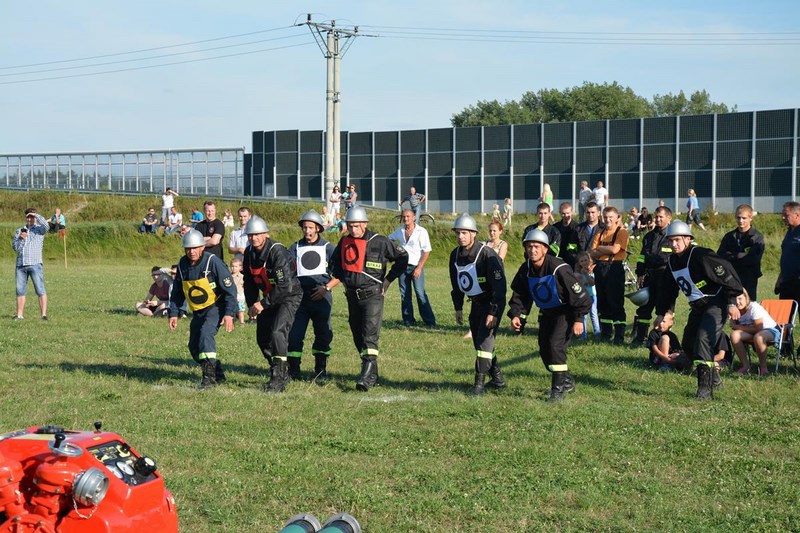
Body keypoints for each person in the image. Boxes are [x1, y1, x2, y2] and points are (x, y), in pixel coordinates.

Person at [654, 221, 744, 400]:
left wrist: (732, 302)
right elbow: (667, 290)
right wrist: (662, 313)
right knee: (689, 344)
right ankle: (714, 378)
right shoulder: (672, 262)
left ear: (687, 239)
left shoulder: (701, 255)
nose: (674, 244)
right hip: (697, 307)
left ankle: (704, 389)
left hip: (716, 303)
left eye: (678, 240)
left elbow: (726, 274)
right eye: (671, 241)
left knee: (703, 339)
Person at [508, 229, 591, 401]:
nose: (532, 250)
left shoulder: (559, 268)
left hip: (565, 313)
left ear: (545, 249)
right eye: (529, 246)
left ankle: (557, 391)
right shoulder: (526, 268)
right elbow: (520, 294)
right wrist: (516, 315)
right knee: (545, 350)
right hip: (546, 313)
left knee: (555, 346)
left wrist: (579, 319)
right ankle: (566, 382)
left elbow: (581, 296)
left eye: (537, 247)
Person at [331, 206, 408, 391]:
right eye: (350, 226)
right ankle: (373, 374)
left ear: (365, 224)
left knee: (369, 335)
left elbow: (403, 257)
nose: (353, 230)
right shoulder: (344, 242)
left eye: (356, 226)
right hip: (352, 296)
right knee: (357, 335)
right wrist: (342, 279)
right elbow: (335, 263)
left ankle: (365, 378)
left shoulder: (380, 241)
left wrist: (388, 280)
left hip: (373, 295)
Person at [168, 230, 236, 389]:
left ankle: (209, 379)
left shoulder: (213, 262)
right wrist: (174, 313)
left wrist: (229, 314)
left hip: (216, 307)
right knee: (195, 347)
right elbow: (177, 292)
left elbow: (230, 290)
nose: (191, 251)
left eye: (195, 248)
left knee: (206, 334)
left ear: (202, 247)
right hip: (198, 311)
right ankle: (217, 371)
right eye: (188, 248)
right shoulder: (182, 265)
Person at [243, 216, 303, 393]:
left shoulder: (277, 251)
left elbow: (285, 285)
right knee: (262, 337)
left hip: (289, 296)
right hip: (269, 298)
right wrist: (252, 305)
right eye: (250, 235)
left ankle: (278, 377)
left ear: (266, 234)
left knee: (277, 332)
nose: (254, 238)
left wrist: (263, 303)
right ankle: (280, 367)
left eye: (257, 234)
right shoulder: (249, 253)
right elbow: (249, 282)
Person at [449, 214, 507, 396]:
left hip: (491, 303)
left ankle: (478, 385)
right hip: (475, 303)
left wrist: (493, 312)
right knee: (479, 343)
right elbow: (456, 284)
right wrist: (458, 308)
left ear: (473, 233)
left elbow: (500, 288)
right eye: (458, 233)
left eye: (464, 233)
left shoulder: (487, 255)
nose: (460, 237)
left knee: (484, 341)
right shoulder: (455, 255)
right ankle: (497, 378)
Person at [287, 210, 340, 380]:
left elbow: (340, 273)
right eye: (305, 227)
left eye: (310, 227)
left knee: (323, 333)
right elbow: (288, 271)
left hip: (322, 295)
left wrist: (326, 288)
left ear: (318, 228)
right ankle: (293, 370)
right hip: (300, 297)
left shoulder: (328, 248)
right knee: (294, 334)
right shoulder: (295, 247)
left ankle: (320, 370)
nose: (307, 231)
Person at [631, 206, 673, 346]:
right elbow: (642, 256)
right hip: (649, 276)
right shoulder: (649, 236)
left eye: (661, 217)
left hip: (665, 277)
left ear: (669, 218)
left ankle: (662, 339)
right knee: (644, 308)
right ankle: (640, 338)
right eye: (656, 217)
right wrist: (640, 273)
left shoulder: (673, 237)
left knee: (664, 309)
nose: (658, 219)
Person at [389, 209, 437, 327]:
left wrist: (419, 268)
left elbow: (426, 251)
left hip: (416, 266)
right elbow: (388, 239)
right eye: (404, 217)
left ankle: (429, 321)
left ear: (414, 217)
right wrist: (395, 250)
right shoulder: (399, 231)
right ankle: (408, 320)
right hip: (402, 267)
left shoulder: (421, 231)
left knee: (420, 293)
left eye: (408, 216)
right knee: (404, 294)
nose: (406, 219)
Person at [590, 206, 629, 344]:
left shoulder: (621, 232)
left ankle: (619, 336)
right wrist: (604, 250)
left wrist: (600, 248)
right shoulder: (599, 233)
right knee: (603, 303)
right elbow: (592, 253)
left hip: (614, 268)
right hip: (600, 268)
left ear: (617, 218)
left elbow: (615, 250)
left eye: (611, 217)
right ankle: (606, 334)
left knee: (615, 302)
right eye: (605, 217)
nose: (608, 220)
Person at [717, 204, 764, 301]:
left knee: (748, 304)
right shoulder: (729, 236)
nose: (741, 221)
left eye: (744, 218)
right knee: (731, 304)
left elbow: (753, 258)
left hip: (749, 277)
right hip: (731, 276)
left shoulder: (757, 237)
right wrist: (739, 256)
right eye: (738, 218)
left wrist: (733, 256)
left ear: (750, 218)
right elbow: (720, 256)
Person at [729, 290, 779, 376]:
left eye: (740, 298)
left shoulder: (754, 307)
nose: (737, 302)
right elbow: (733, 325)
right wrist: (732, 321)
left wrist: (736, 326)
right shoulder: (734, 309)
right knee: (734, 335)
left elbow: (758, 329)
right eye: (735, 299)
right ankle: (746, 366)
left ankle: (763, 368)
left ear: (746, 298)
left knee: (759, 337)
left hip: (770, 330)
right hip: (752, 331)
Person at [13, 208, 49, 320]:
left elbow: (46, 225)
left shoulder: (39, 230)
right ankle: (19, 315)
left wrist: (36, 215)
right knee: (20, 290)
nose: (30, 219)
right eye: (28, 217)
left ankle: (43, 315)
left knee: (40, 289)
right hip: (21, 265)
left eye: (32, 217)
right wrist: (21, 238)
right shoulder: (20, 230)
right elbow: (15, 248)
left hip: (35, 264)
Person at [565, 201, 604, 268]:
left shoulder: (604, 228)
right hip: (581, 265)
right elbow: (571, 247)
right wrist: (578, 259)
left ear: (598, 213)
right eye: (588, 212)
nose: (590, 215)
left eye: (593, 212)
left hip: (599, 265)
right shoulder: (578, 229)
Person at [776, 201, 800, 301]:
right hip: (786, 281)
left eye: (786, 215)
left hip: (798, 281)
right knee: (785, 310)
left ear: (797, 215)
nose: (783, 217)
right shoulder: (789, 231)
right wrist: (780, 279)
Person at [574, 251, 599, 339]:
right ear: (579, 263)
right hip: (583, 297)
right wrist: (581, 275)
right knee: (583, 316)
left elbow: (592, 283)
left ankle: (597, 332)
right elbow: (578, 285)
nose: (584, 262)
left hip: (592, 295)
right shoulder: (578, 273)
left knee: (593, 314)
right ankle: (583, 335)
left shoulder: (592, 271)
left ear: (589, 260)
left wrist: (586, 275)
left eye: (586, 260)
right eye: (582, 261)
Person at [230, 257, 246, 325]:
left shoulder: (242, 277)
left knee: (240, 311)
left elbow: (245, 286)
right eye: (232, 266)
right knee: (232, 310)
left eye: (236, 266)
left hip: (240, 296)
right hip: (232, 295)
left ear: (240, 267)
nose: (234, 268)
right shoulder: (229, 277)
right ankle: (232, 323)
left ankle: (242, 322)